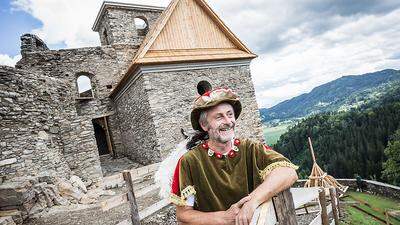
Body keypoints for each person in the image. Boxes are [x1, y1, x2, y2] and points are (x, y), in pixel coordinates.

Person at [169, 87, 298, 225]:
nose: (228, 121)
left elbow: (288, 173)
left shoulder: (251, 148)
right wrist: (223, 218)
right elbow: (183, 214)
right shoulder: (190, 161)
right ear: (204, 125)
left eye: (230, 114)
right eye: (219, 117)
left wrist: (252, 202)